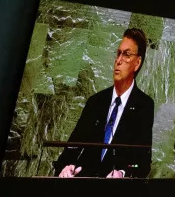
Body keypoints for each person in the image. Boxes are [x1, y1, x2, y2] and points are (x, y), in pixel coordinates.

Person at [54, 28, 153, 179]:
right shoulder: (96, 102)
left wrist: (123, 172)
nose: (118, 60)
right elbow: (71, 149)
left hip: (114, 195)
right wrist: (66, 168)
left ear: (137, 63)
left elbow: (141, 164)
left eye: (126, 55)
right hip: (82, 187)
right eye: (118, 53)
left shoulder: (144, 106)